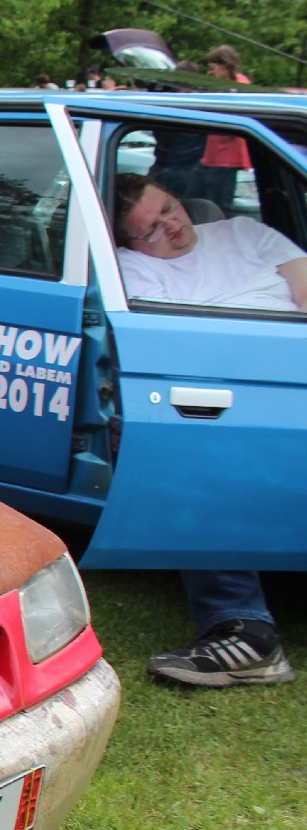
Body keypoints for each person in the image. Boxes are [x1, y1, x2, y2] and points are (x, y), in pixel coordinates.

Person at [112, 172, 303, 687]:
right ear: (131, 242)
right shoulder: (133, 270)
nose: (172, 227)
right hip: (234, 388)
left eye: (170, 209)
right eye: (152, 229)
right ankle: (245, 630)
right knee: (199, 457)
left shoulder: (245, 232)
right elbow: (181, 346)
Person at [198, 46, 254, 210]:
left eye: (212, 68)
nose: (209, 73)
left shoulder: (240, 88)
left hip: (226, 160)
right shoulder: (224, 87)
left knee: (218, 207)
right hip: (212, 157)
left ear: (226, 66)